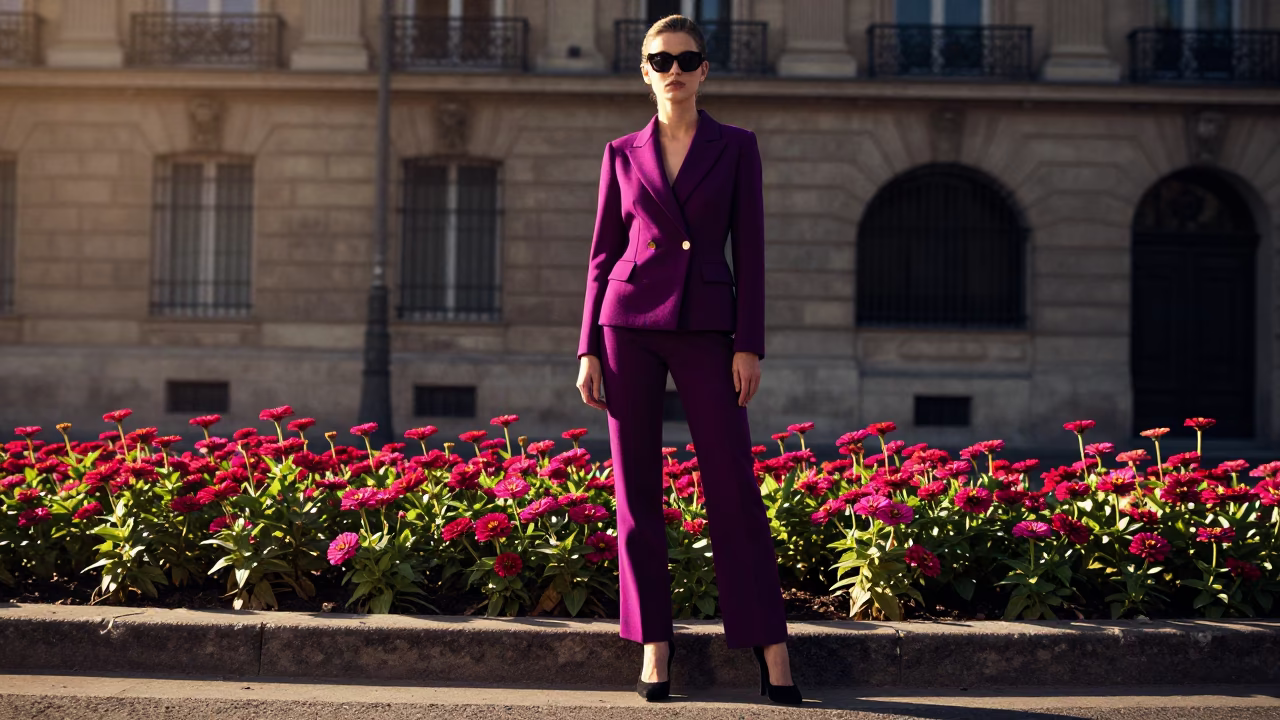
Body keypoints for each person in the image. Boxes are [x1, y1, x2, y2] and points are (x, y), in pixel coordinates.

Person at [573, 13, 802, 706]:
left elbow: (752, 252)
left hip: (707, 328)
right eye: (660, 60)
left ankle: (771, 644)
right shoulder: (620, 152)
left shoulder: (737, 147)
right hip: (626, 326)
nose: (674, 70)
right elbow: (601, 256)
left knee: (732, 484)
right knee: (635, 493)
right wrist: (586, 346)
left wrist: (749, 342)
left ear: (706, 70)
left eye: (687, 58)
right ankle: (654, 644)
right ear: (644, 71)